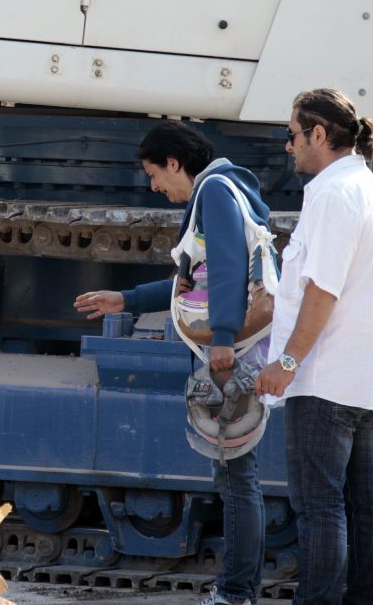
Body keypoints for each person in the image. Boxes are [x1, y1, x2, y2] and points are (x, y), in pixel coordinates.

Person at [74, 120, 270, 605]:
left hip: (231, 354)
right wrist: (127, 299)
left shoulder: (216, 194)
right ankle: (236, 590)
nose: (154, 185)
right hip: (235, 348)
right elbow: (193, 282)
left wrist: (222, 339)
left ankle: (235, 594)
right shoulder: (227, 189)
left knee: (237, 478)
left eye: (154, 173)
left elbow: (224, 265)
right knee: (235, 476)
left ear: (175, 163)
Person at [254, 88, 373, 604]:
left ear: (318, 134)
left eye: (291, 136)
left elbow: (323, 288)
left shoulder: (334, 195)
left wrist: (287, 362)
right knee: (368, 505)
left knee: (320, 509)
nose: (288, 148)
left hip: (325, 378)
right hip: (366, 376)